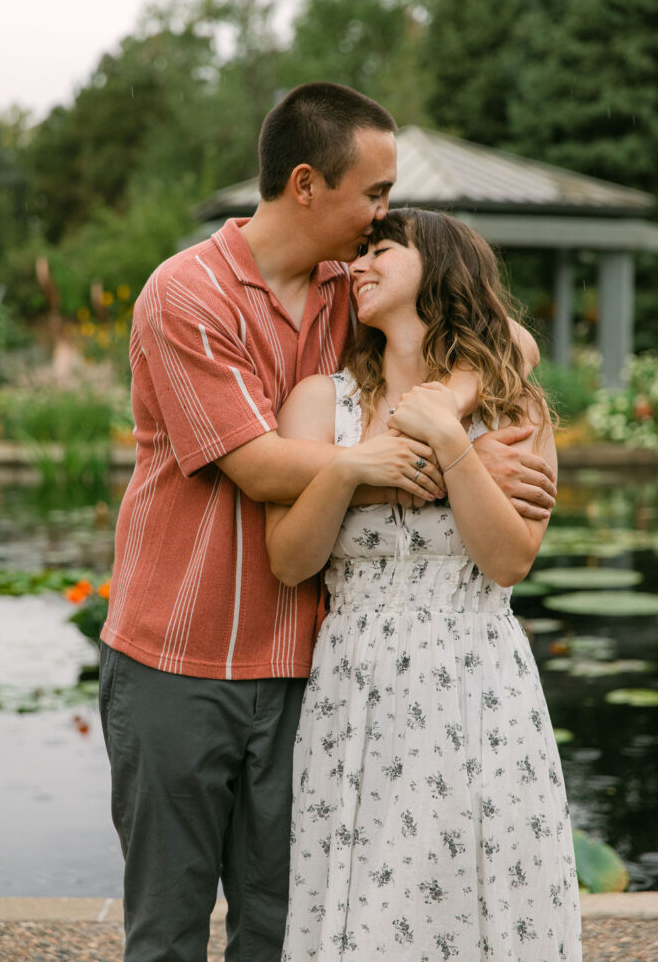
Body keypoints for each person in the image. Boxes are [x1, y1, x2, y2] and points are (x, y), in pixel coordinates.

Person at [99, 83, 557, 962]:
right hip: (180, 655)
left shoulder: (353, 286)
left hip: (308, 662)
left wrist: (443, 409)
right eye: (374, 194)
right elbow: (260, 464)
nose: (384, 213)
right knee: (167, 928)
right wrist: (441, 470)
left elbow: (511, 342)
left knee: (284, 925)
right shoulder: (186, 294)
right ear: (306, 184)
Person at [266, 208, 582, 961]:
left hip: (482, 689)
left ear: (437, 269)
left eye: (383, 249)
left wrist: (447, 436)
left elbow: (508, 561)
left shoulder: (514, 407)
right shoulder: (322, 402)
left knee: (483, 897)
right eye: (359, 251)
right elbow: (288, 559)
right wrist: (348, 468)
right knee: (368, 907)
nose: (359, 264)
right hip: (356, 691)